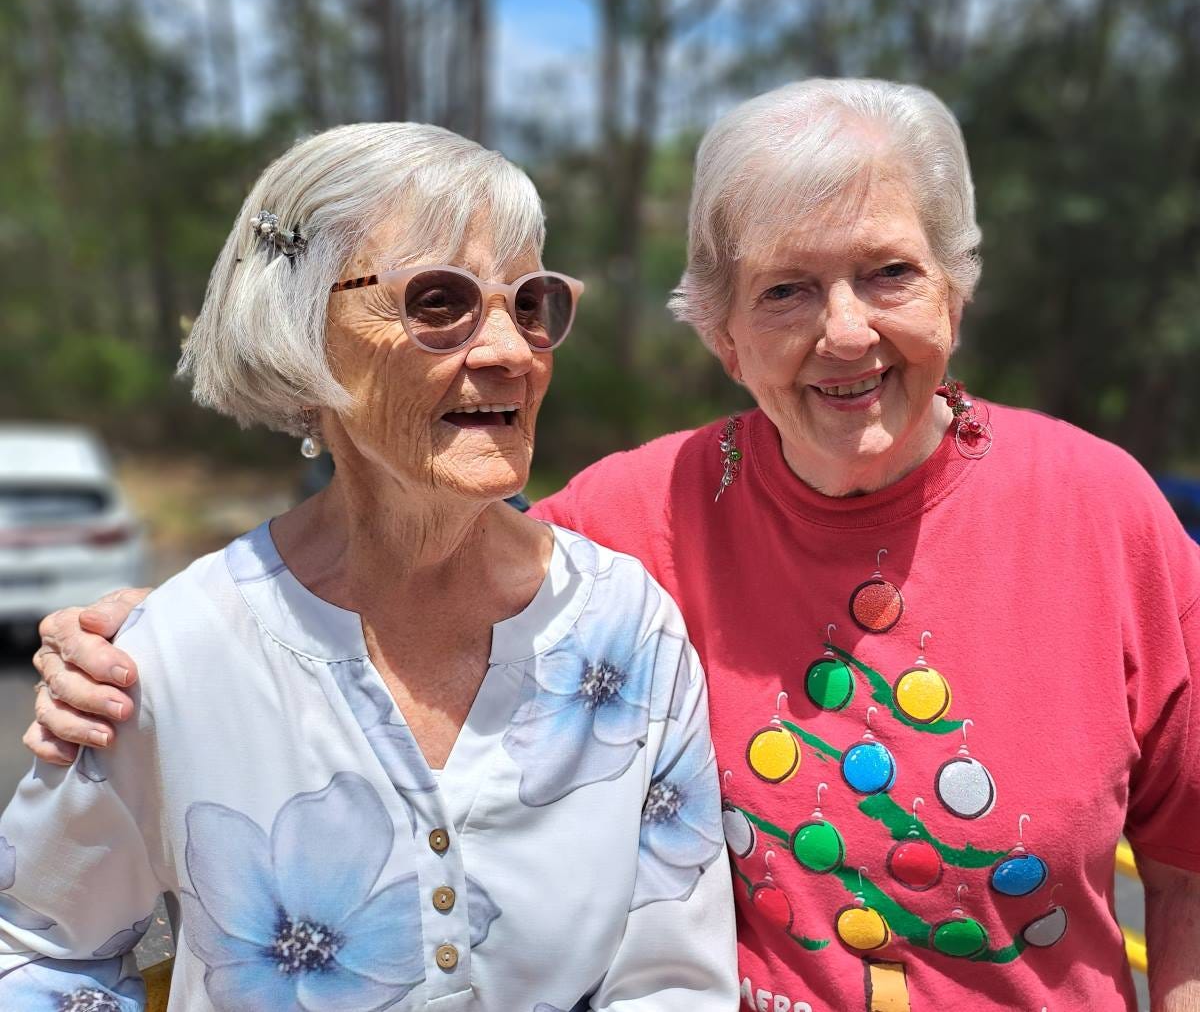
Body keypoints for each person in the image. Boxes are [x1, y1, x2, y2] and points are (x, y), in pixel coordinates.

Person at [27, 79, 1200, 1011]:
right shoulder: (638, 526)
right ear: (724, 336)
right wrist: (145, 639)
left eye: (889, 272)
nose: (847, 330)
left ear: (955, 287)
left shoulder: (1105, 512)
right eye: (786, 291)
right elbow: (397, 548)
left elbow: (1189, 863)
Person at [0, 122, 737, 1011]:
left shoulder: (626, 628)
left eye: (530, 304)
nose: (511, 351)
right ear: (301, 332)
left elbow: (674, 980)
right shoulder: (176, 652)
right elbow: (39, 948)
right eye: (438, 301)